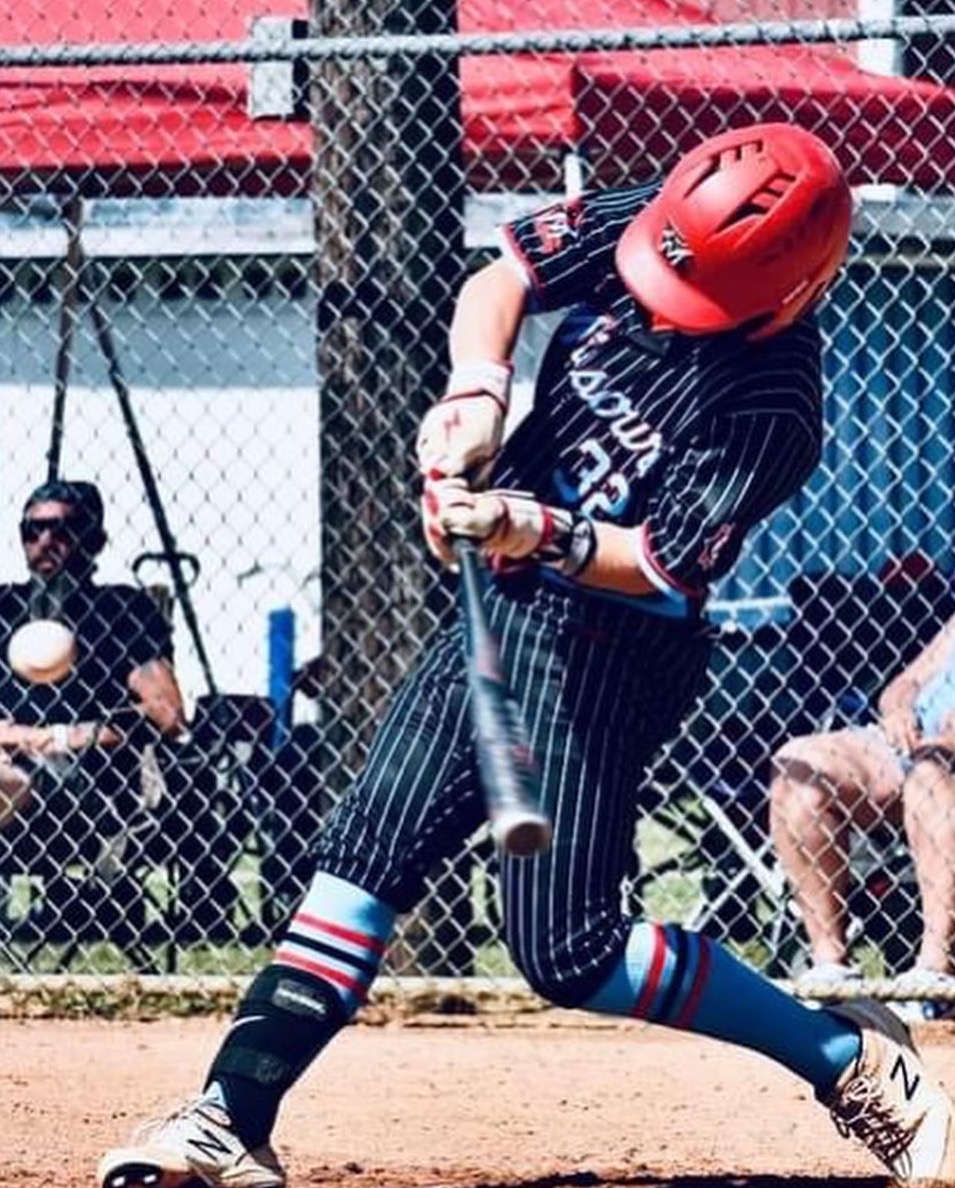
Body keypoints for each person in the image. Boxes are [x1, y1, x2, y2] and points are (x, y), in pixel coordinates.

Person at [98, 123, 954, 1188]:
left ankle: (848, 1059)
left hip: (610, 652)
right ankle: (227, 1118)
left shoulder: (773, 407)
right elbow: (502, 277)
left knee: (569, 951)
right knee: (362, 863)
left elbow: (661, 565)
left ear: (786, 296)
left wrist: (531, 527)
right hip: (500, 612)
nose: (653, 305)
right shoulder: (661, 223)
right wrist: (476, 392)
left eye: (689, 301)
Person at [0, 479, 188, 945]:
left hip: (91, 782)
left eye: (63, 529)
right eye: (33, 530)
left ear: (96, 540)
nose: (45, 541)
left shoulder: (121, 610)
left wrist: (56, 737)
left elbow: (167, 714)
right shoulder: (4, 607)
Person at [770, 599, 955, 1016]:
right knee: (798, 766)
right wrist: (899, 710)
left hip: (940, 762)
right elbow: (904, 683)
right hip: (911, 744)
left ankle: (934, 978)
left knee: (930, 774)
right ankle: (831, 971)